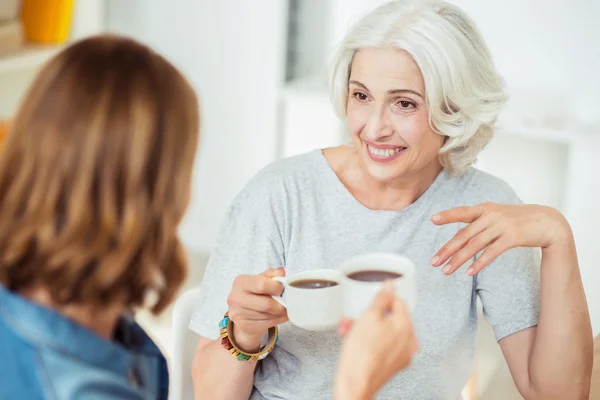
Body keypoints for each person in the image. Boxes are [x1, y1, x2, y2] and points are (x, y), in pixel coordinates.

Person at [190, 0, 594, 399]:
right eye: (361, 96)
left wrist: (558, 236)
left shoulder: (483, 211)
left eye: (404, 103)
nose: (374, 128)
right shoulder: (280, 194)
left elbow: (558, 393)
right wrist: (242, 334)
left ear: (454, 109)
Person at [0, 35, 418, 399]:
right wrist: (356, 386)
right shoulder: (71, 386)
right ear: (158, 193)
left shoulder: (80, 315)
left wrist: (243, 336)